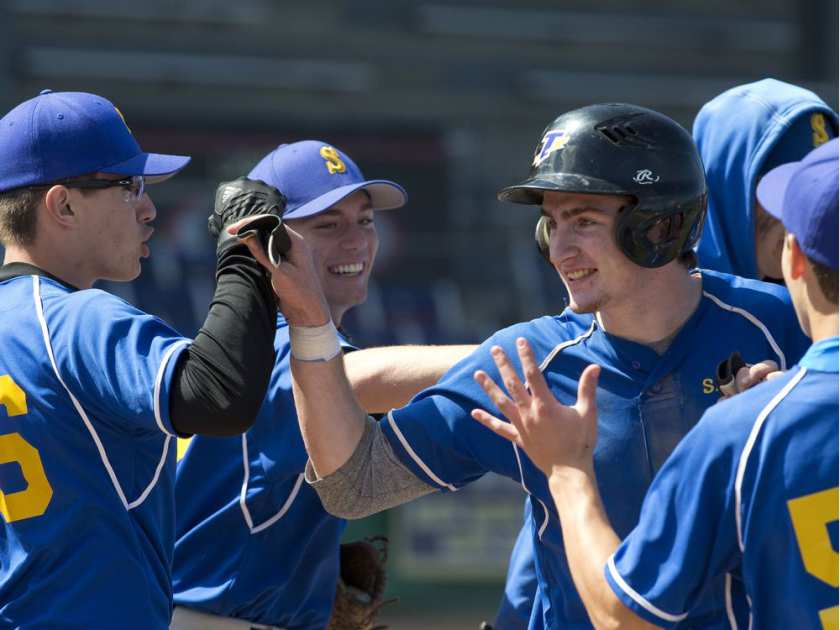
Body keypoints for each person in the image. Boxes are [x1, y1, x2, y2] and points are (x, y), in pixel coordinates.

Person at [237, 103, 811, 629]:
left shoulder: (782, 325)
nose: (559, 249)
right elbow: (353, 486)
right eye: (551, 223)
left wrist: (797, 414)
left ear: (659, 225)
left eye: (582, 220)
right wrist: (310, 320)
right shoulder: (528, 364)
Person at [497, 78, 839, 628]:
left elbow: (623, 615)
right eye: (773, 209)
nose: (786, 234)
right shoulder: (599, 336)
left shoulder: (755, 411)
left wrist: (566, 470)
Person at [0, 90, 282, 628]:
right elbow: (217, 396)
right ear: (63, 205)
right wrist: (243, 254)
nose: (149, 208)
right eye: (130, 187)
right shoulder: (74, 318)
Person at [172, 140, 474, 630]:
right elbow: (357, 379)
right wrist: (532, 351)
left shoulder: (244, 346)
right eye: (327, 225)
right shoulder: (271, 343)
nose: (355, 241)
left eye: (365, 220)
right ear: (268, 242)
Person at [694, 77, 837, 280]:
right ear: (729, 186)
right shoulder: (660, 299)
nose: (809, 214)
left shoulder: (822, 302)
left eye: (826, 192)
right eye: (785, 189)